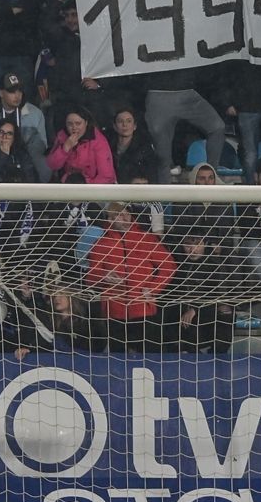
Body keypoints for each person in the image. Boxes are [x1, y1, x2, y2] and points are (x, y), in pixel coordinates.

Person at [85, 201, 177, 351]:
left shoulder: (146, 239)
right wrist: (103, 276)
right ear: (110, 219)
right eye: (118, 215)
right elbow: (90, 278)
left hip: (144, 311)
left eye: (126, 214)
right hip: (114, 312)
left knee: (150, 357)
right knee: (118, 360)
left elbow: (169, 266)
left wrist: (153, 288)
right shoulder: (101, 244)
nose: (124, 217)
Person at [46, 108, 115, 184]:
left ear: (86, 123)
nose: (74, 127)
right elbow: (52, 165)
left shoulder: (98, 140)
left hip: (92, 185)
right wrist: (65, 148)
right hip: (67, 183)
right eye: (70, 124)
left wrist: (86, 187)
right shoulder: (62, 136)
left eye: (78, 123)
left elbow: (106, 175)